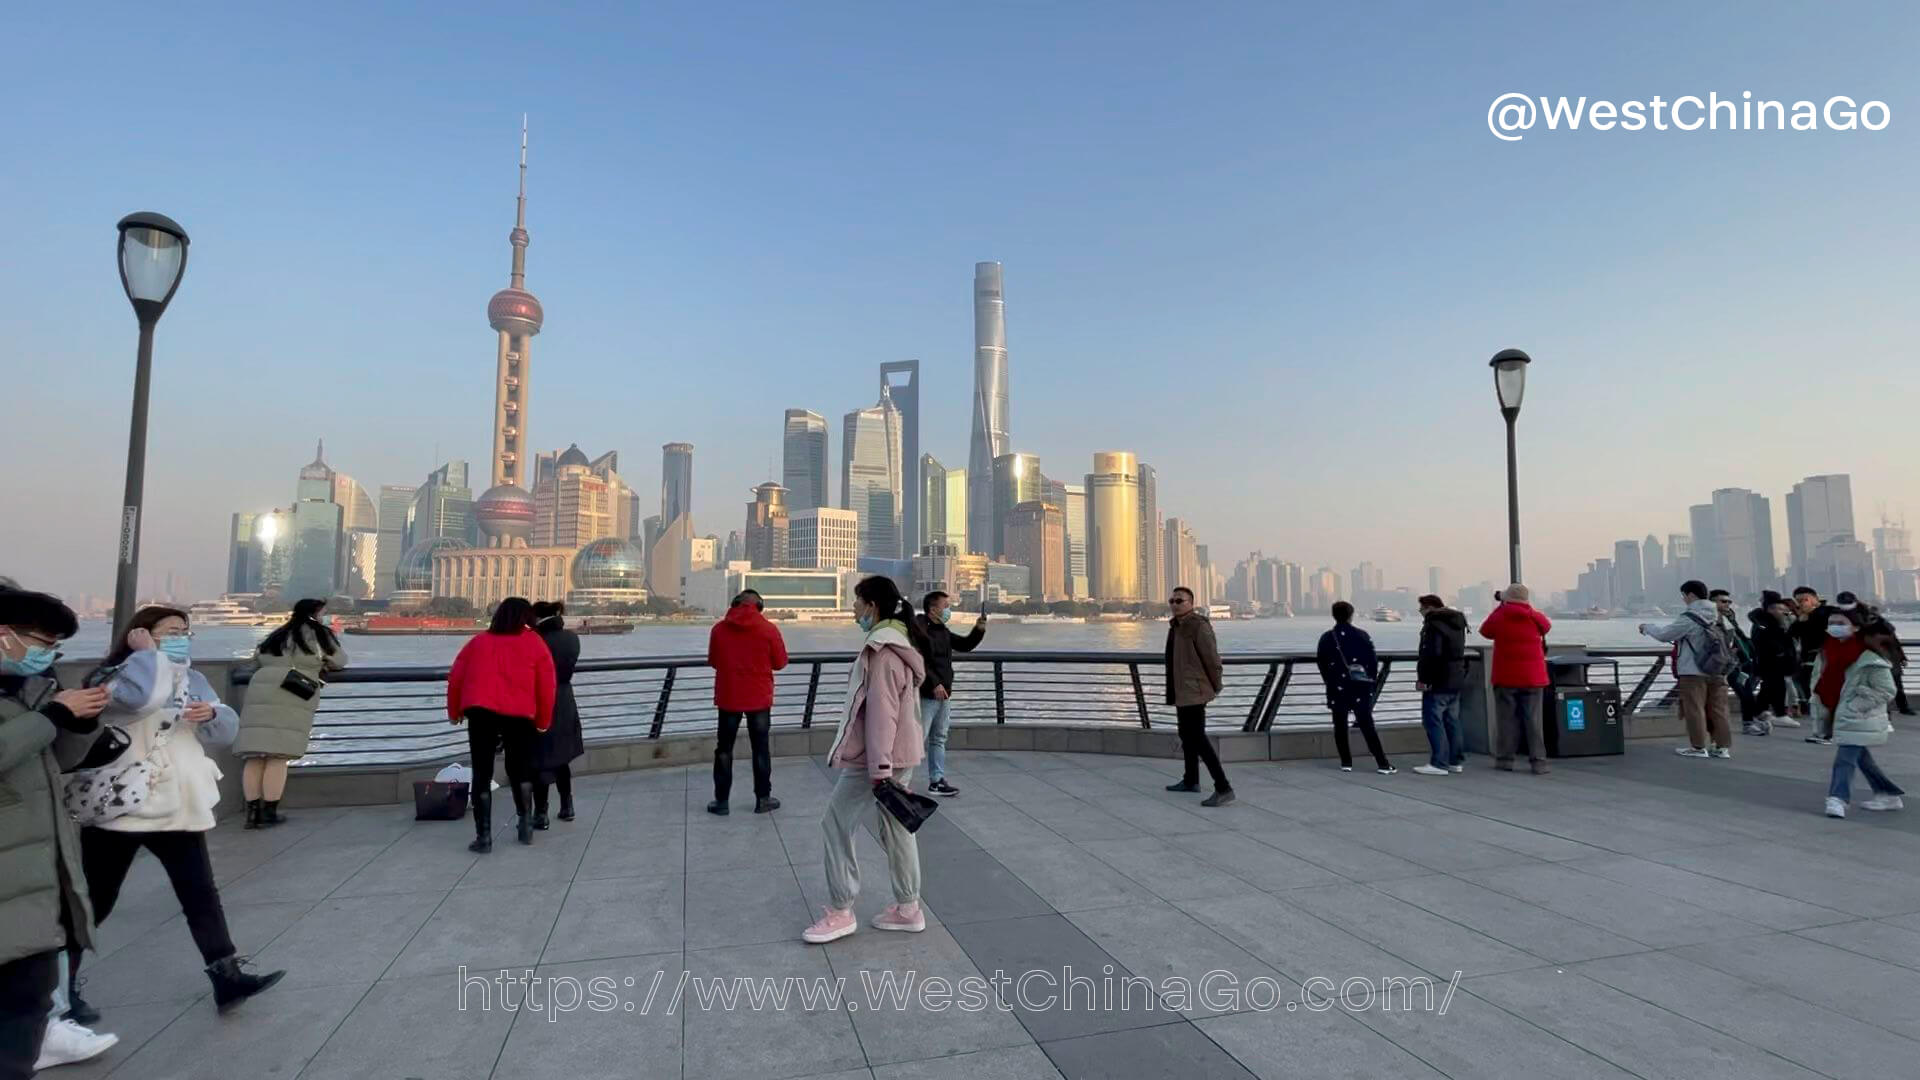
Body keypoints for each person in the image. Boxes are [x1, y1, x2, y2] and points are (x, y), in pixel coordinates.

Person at [69, 606, 285, 1020]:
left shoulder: (194, 678)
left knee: (201, 895)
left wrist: (214, 715)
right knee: (96, 900)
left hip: (178, 803)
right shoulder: (114, 677)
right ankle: (59, 988)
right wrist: (149, 656)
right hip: (124, 803)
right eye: (170, 631)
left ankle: (227, 975)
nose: (182, 636)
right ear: (140, 635)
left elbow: (225, 733)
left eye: (186, 631)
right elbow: (140, 701)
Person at [0, 587, 120, 1077]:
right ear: (4, 636)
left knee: (26, 1005)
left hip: (30, 884)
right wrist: (49, 716)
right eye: (41, 641)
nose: (47, 654)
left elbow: (58, 764)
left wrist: (82, 722)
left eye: (55, 647)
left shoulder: (26, 690)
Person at [803, 576, 926, 944]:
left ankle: (841, 911)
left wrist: (879, 771)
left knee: (836, 824)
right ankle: (908, 908)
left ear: (871, 605)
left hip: (878, 759)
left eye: (856, 602)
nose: (853, 609)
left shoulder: (883, 651)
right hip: (899, 753)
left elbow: (882, 714)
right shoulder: (900, 643)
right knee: (896, 828)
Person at [447, 598, 556, 851]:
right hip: (520, 714)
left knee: (482, 773)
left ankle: (483, 837)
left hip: (481, 713)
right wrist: (543, 721)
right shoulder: (535, 644)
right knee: (520, 771)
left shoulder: (477, 643)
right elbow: (546, 687)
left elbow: (456, 678)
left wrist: (454, 712)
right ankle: (526, 826)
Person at [233, 598, 347, 828]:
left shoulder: (279, 633)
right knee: (278, 756)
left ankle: (252, 813)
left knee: (254, 755)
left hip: (260, 690)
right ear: (316, 613)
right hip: (292, 692)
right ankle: (270, 811)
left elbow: (257, 658)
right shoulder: (319, 634)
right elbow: (339, 660)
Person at [1813, 609, 1904, 818]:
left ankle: (1837, 799)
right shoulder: (1829, 650)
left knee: (1845, 757)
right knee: (1861, 757)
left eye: (1840, 622)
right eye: (1832, 622)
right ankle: (1888, 793)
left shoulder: (1868, 658)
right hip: (1837, 711)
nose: (1835, 626)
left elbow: (1887, 690)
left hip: (1856, 715)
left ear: (1855, 627)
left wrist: (1857, 706)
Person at [705, 589, 789, 815]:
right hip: (759, 698)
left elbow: (713, 661)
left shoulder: (719, 630)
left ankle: (721, 802)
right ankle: (763, 799)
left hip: (729, 696)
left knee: (724, 749)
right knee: (760, 749)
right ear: (758, 607)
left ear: (735, 604)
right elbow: (780, 663)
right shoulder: (768, 629)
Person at [1640, 580, 1735, 759]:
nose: (1684, 600)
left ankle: (1698, 747)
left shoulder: (1690, 617)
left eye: (1683, 596)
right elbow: (1730, 639)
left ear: (1691, 595)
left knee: (1695, 709)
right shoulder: (1721, 617)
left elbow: (1664, 635)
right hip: (1718, 670)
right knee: (1719, 709)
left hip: (1693, 671)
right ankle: (1722, 748)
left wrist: (1647, 628)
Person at [1164, 586, 1235, 802]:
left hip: (1195, 690)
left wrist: (1216, 685)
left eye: (1180, 600)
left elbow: (1212, 659)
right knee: (1187, 735)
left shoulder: (1198, 626)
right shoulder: (1175, 626)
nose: (1175, 604)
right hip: (1182, 690)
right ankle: (1191, 780)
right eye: (1172, 600)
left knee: (1198, 738)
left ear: (1191, 603)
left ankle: (1223, 788)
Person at [912, 591, 986, 797]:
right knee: (916, 739)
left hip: (944, 694)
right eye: (946, 605)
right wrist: (934, 683)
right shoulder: (920, 629)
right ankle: (897, 780)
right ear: (933, 608)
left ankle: (936, 781)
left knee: (939, 738)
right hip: (927, 694)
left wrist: (979, 629)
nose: (948, 609)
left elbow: (964, 645)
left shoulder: (941, 630)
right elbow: (918, 660)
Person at [1478, 584, 1552, 775]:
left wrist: (1501, 606)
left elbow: (1485, 631)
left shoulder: (1500, 615)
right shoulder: (1534, 616)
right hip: (1534, 677)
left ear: (1506, 599)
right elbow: (1547, 626)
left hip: (1506, 676)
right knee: (1534, 721)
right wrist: (1526, 607)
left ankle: (1505, 760)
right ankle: (1539, 762)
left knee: (1506, 720)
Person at [1317, 602, 1396, 775]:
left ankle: (1346, 762)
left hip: (1337, 686)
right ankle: (1382, 763)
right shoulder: (1362, 635)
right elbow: (1372, 661)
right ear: (1351, 615)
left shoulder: (1327, 637)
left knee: (1340, 724)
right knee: (1367, 724)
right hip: (1360, 685)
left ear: (1333, 615)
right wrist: (1371, 682)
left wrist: (1329, 681)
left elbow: (1321, 663)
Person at [530, 602, 582, 828]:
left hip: (540, 700)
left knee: (540, 759)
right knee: (562, 756)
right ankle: (567, 805)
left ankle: (541, 813)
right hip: (565, 698)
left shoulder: (535, 640)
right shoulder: (572, 639)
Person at [1414, 594, 1468, 776]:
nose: (1420, 612)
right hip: (1456, 678)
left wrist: (1424, 679)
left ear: (1429, 607)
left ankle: (1439, 763)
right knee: (1453, 721)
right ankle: (1455, 761)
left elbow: (1432, 654)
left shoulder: (1433, 625)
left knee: (1433, 720)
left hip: (1438, 679)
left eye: (1421, 608)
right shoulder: (1457, 623)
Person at [1711, 589, 1765, 737]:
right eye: (1723, 601)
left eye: (1728, 601)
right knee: (1743, 692)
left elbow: (1738, 635)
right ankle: (1751, 721)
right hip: (1726, 663)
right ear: (1712, 602)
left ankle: (1750, 722)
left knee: (1746, 692)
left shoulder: (1729, 617)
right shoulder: (1711, 620)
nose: (1727, 604)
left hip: (1741, 661)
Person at [1748, 592, 1800, 732]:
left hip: (1777, 660)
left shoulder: (1771, 621)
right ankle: (1778, 713)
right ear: (1771, 608)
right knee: (1775, 685)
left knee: (1769, 687)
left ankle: (1762, 711)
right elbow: (1764, 640)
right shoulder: (1763, 622)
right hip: (1770, 660)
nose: (1783, 612)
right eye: (1779, 609)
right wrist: (1779, 651)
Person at [1791, 586, 1837, 740]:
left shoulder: (1828, 612)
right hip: (1810, 661)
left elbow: (1823, 631)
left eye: (1805, 599)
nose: (1802, 604)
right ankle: (1821, 731)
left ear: (1815, 599)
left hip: (1827, 660)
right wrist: (1800, 620)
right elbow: (1792, 634)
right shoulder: (1802, 618)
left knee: (1824, 695)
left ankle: (1826, 732)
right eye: (1798, 601)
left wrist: (1807, 619)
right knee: (1816, 696)